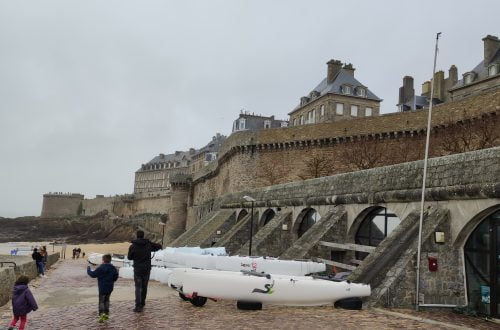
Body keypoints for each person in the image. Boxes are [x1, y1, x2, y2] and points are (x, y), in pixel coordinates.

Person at [127, 230, 162, 312]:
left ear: (137, 236)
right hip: (146, 269)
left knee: (138, 287)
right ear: (143, 236)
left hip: (138, 269)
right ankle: (142, 303)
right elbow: (158, 246)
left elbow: (129, 257)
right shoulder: (148, 244)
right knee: (144, 286)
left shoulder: (132, 246)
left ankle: (138, 306)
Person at [87, 254, 119, 323]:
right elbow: (116, 276)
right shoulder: (113, 268)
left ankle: (101, 316)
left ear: (103, 260)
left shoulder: (101, 268)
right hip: (110, 287)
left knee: (101, 301)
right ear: (110, 260)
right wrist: (111, 280)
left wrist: (88, 269)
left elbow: (93, 274)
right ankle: (106, 314)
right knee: (107, 300)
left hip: (102, 287)